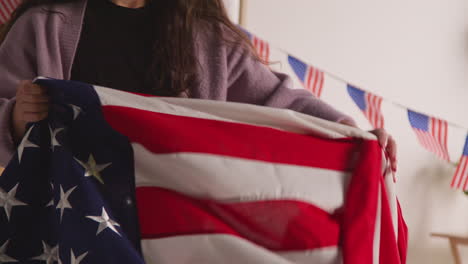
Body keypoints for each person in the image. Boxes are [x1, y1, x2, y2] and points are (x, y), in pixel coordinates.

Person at [0, 0, 397, 169]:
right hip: (63, 228)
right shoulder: (45, 23)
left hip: (168, 232)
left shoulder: (207, 37)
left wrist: (353, 133)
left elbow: (279, 101)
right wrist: (16, 117)